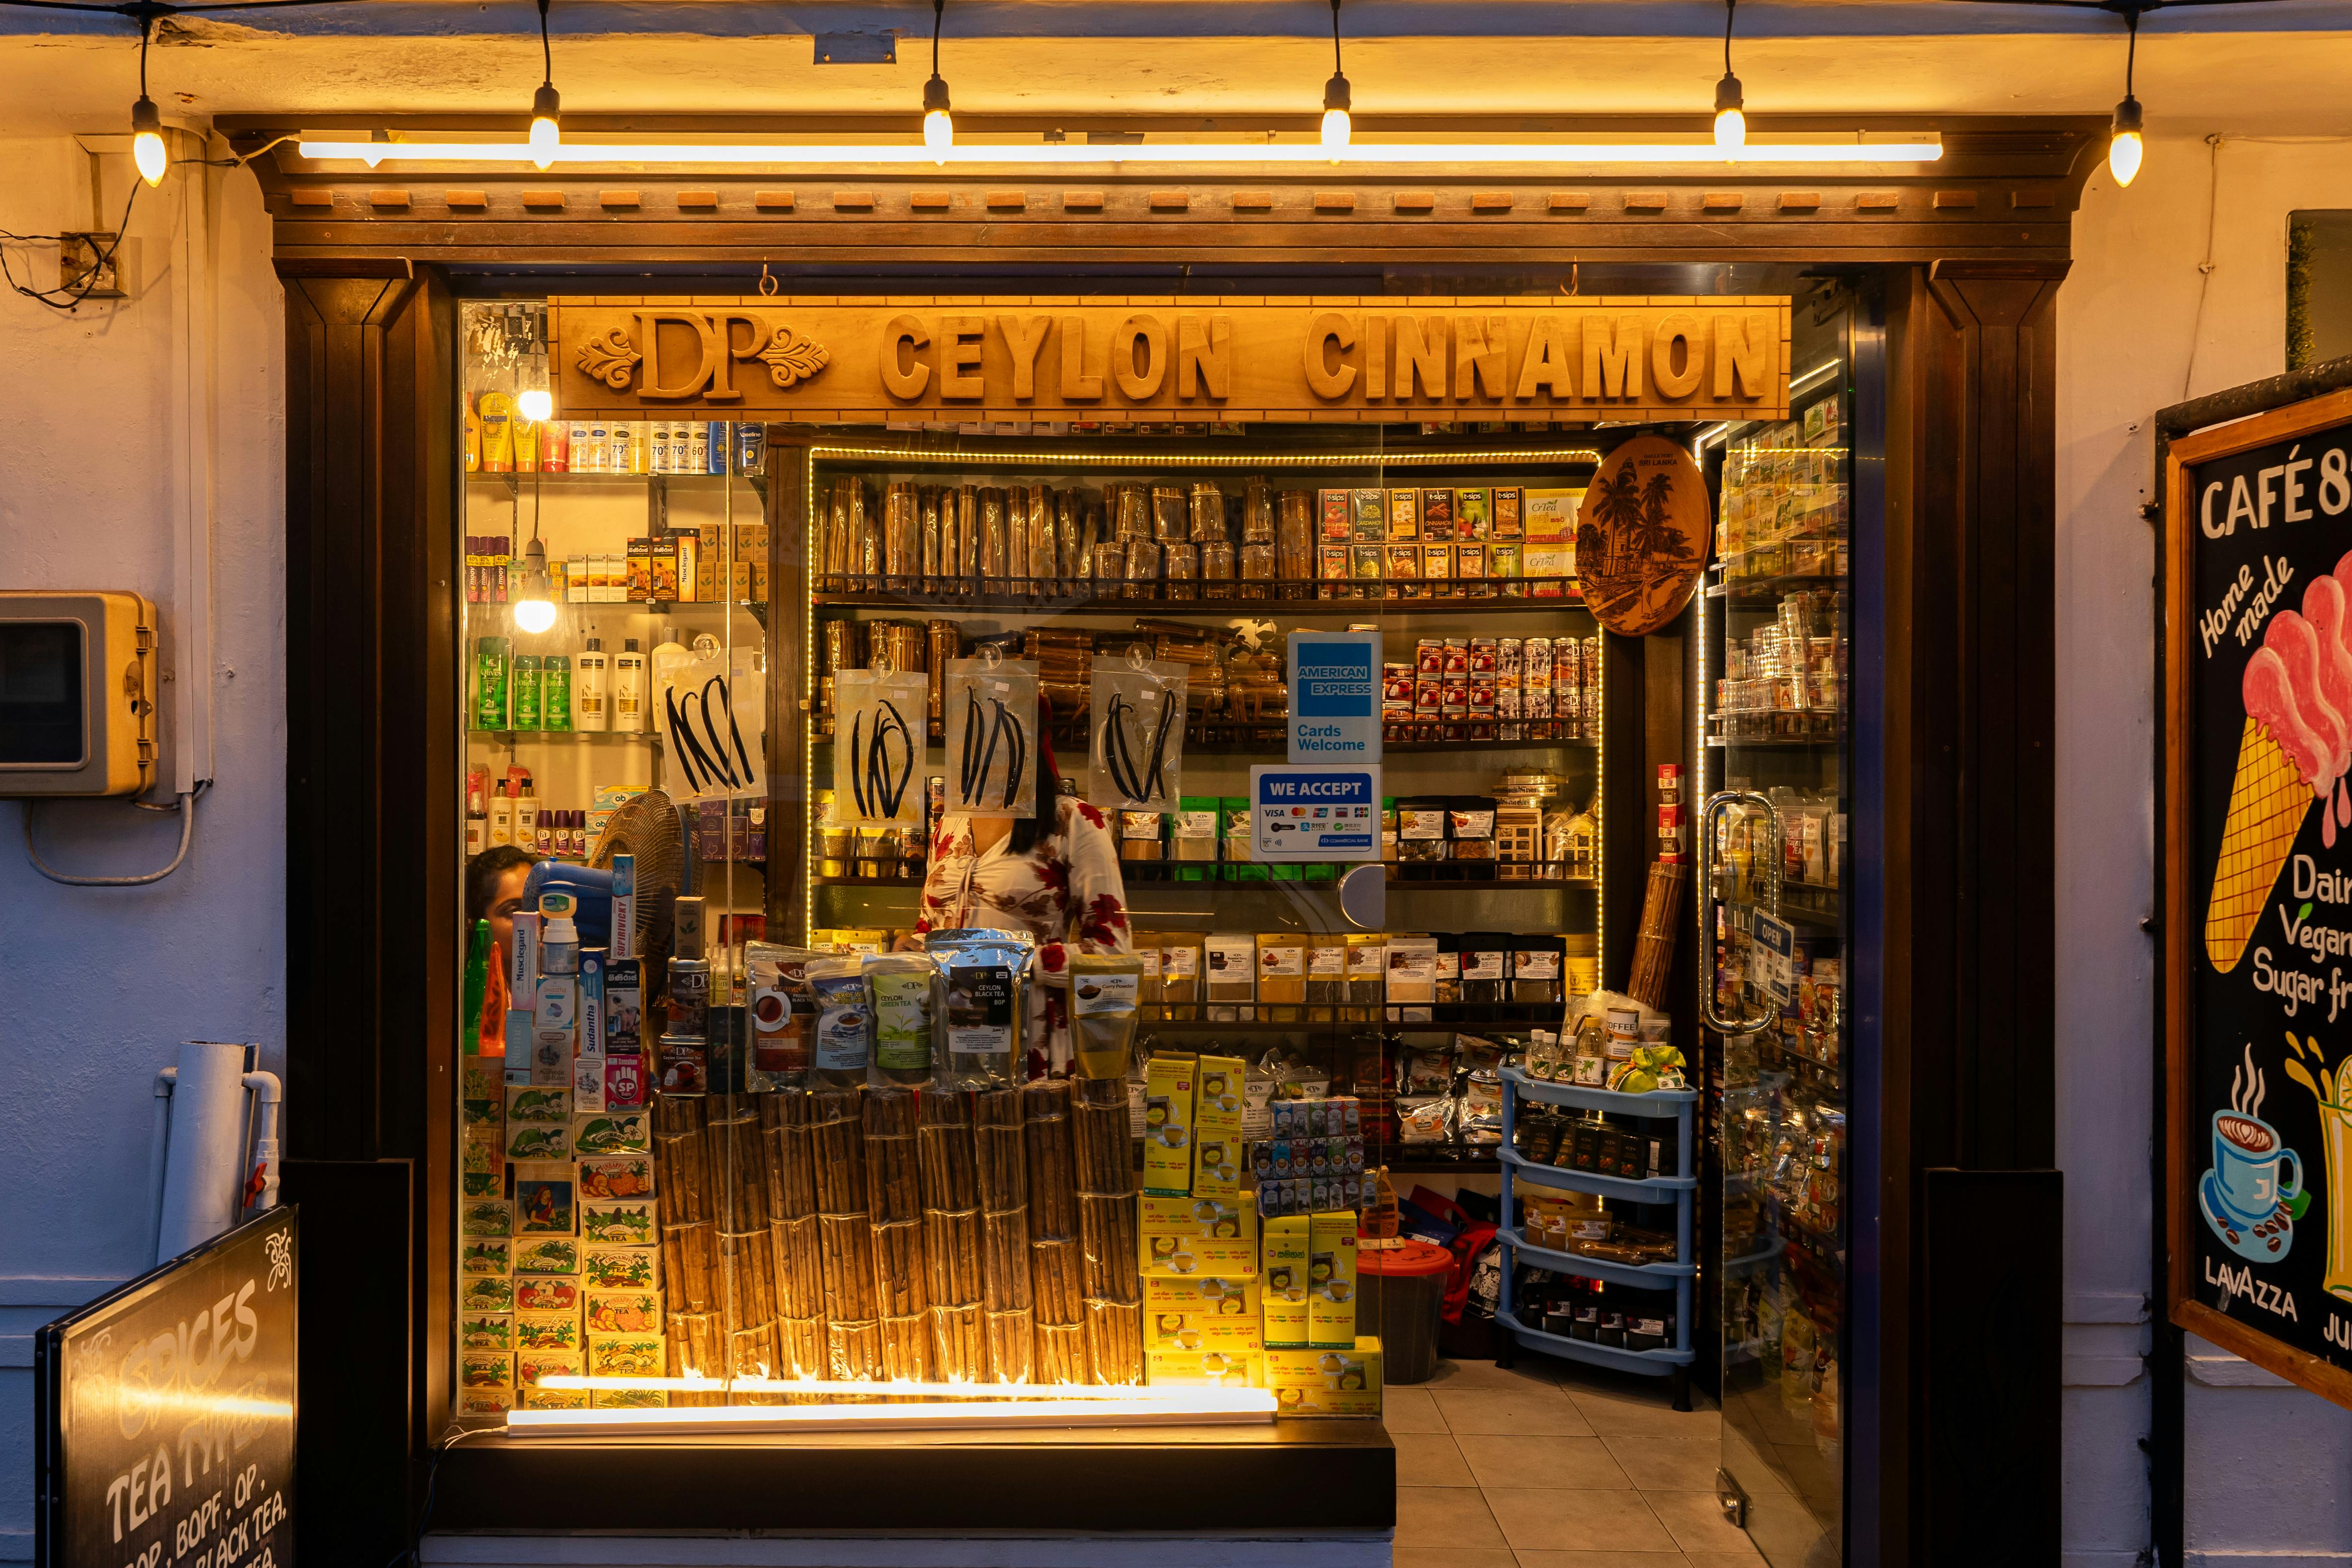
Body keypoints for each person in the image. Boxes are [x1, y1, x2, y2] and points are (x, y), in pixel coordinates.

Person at [901, 698, 1133, 1076]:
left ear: (1027, 742)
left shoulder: (1073, 820)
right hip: (945, 1033)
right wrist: (911, 947)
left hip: (1030, 1034)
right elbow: (931, 926)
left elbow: (1113, 954)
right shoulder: (950, 823)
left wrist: (1012, 964)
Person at [466, 844, 542, 1055]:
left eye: (539, 908)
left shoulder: (564, 984)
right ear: (477, 922)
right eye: (515, 911)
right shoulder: (468, 994)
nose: (534, 921)